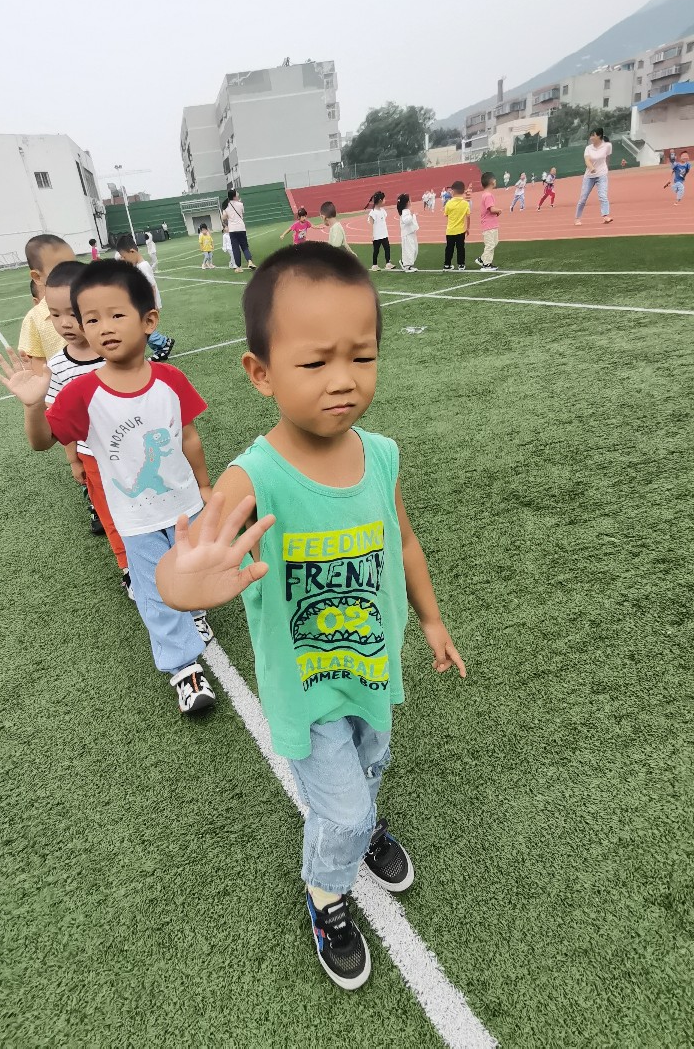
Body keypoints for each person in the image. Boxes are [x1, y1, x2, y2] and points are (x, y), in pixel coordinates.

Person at [155, 242, 466, 991]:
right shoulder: (254, 475)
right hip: (305, 685)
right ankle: (326, 895)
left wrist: (430, 620)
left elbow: (404, 540)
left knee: (372, 764)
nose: (344, 379)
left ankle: (362, 826)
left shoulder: (382, 455)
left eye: (362, 357)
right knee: (342, 810)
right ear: (260, 373)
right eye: (315, 361)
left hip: (370, 665)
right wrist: (186, 581)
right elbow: (182, 569)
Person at [0, 259, 218, 715]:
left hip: (185, 505)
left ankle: (194, 611)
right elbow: (42, 442)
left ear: (148, 320)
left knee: (193, 573)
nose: (103, 327)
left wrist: (205, 487)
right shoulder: (81, 393)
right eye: (90, 319)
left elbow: (189, 437)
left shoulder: (171, 380)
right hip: (135, 519)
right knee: (153, 592)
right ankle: (184, 670)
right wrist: (34, 406)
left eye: (116, 314)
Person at [43, 260, 132, 579]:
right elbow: (59, 420)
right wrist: (73, 459)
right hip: (93, 456)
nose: (65, 323)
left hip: (132, 448)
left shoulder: (118, 349)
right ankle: (127, 568)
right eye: (55, 315)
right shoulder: (57, 366)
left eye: (73, 313)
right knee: (109, 513)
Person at [18, 234, 77, 368]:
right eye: (61, 269)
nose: (72, 273)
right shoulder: (34, 318)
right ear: (37, 277)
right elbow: (38, 361)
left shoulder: (90, 303)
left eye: (74, 264)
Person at [114, 234, 174, 360]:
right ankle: (161, 347)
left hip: (148, 304)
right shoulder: (137, 266)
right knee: (142, 328)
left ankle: (164, 343)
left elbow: (151, 286)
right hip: (142, 304)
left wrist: (153, 305)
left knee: (143, 329)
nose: (124, 260)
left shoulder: (143, 266)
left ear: (132, 251)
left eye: (124, 257)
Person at [575, 128, 614, 226]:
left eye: (593, 135)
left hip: (601, 175)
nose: (591, 137)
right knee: (583, 198)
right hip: (589, 176)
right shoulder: (588, 148)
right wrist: (591, 167)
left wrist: (606, 168)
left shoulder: (607, 146)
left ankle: (605, 216)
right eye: (590, 135)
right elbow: (587, 160)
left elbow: (607, 157)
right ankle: (577, 218)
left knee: (603, 196)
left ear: (599, 136)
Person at [223, 189, 256, 273]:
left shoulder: (226, 206)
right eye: (237, 194)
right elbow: (242, 213)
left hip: (232, 229)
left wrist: (226, 213)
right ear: (234, 196)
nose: (238, 195)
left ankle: (238, 267)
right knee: (245, 246)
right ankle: (250, 261)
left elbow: (224, 217)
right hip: (241, 228)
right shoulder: (240, 204)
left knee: (235, 248)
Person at [475, 172, 501, 271]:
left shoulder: (486, 195)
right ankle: (486, 265)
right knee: (490, 244)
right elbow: (491, 209)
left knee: (494, 242)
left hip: (492, 224)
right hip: (488, 225)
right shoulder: (488, 195)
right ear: (492, 182)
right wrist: (498, 210)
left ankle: (482, 259)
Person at [443, 181, 471, 271]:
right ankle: (461, 264)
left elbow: (446, 215)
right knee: (460, 248)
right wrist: (468, 228)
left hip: (450, 230)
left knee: (449, 248)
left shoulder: (448, 203)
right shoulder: (465, 203)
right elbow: (468, 216)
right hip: (461, 230)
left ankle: (447, 264)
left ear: (453, 191)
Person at [366, 191, 394, 271]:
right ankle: (374, 265)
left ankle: (388, 263)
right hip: (377, 235)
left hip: (384, 234)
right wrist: (372, 235)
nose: (385, 200)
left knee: (387, 248)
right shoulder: (373, 212)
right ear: (380, 200)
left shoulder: (383, 211)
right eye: (384, 199)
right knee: (376, 250)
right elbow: (371, 224)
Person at [396, 193, 419, 272]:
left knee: (414, 249)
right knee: (409, 250)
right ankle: (407, 265)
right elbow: (406, 221)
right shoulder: (405, 212)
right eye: (410, 200)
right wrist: (412, 214)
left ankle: (406, 263)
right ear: (407, 202)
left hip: (411, 233)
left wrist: (413, 215)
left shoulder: (407, 211)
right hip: (407, 234)